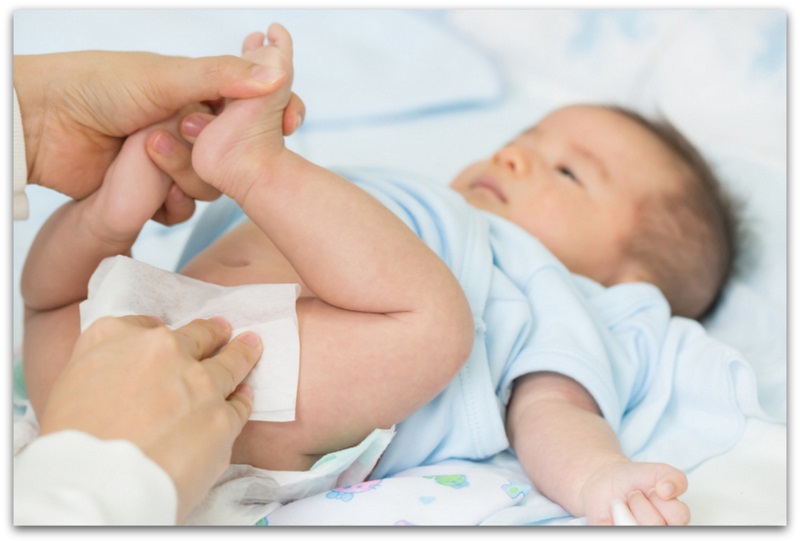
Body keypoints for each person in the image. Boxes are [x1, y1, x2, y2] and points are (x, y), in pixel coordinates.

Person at [22, 24, 741, 526]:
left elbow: (555, 409)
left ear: (627, 278)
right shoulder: (406, 201)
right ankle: (107, 220)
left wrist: (597, 478)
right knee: (54, 299)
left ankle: (242, 173)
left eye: (567, 172)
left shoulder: (553, 291)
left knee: (439, 328)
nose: (514, 157)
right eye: (522, 139)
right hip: (102, 375)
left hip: (265, 398)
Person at [12, 45, 306, 524]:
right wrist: (260, 174)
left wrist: (103, 221)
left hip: (82, 422)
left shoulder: (77, 387)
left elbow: (52, 305)